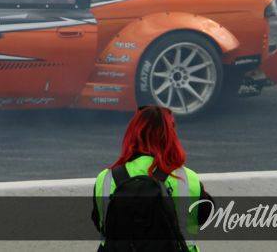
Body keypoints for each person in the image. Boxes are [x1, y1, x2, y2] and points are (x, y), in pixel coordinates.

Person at [92, 106, 215, 251]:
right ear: (170, 136)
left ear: (132, 134)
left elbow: (101, 223)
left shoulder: (106, 178)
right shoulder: (187, 178)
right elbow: (205, 216)